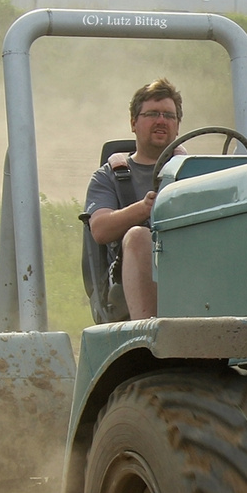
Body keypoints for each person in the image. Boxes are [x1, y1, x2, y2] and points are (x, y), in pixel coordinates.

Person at [82, 78, 183, 321]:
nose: (161, 121)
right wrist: (145, 208)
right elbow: (100, 229)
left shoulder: (197, 172)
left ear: (178, 127)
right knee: (138, 236)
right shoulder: (108, 177)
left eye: (169, 116)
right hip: (123, 288)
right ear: (133, 123)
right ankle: (149, 331)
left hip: (189, 270)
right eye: (152, 114)